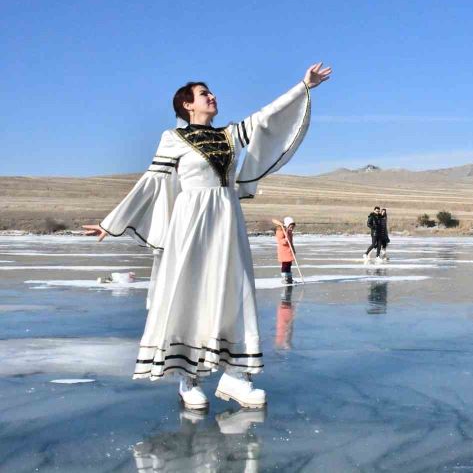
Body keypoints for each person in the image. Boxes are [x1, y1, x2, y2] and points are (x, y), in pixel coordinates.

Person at [83, 63, 332, 411]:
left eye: (211, 92)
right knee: (189, 293)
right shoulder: (172, 139)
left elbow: (265, 117)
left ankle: (235, 376)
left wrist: (302, 86)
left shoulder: (230, 135)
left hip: (227, 223)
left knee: (235, 289)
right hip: (190, 226)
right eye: (204, 94)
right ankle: (189, 377)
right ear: (187, 105)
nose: (212, 96)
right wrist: (112, 223)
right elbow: (151, 183)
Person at [276, 216, 296, 284]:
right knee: (285, 265)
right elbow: (280, 241)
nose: (292, 228)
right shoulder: (281, 231)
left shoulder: (289, 232)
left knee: (289, 264)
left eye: (293, 227)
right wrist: (285, 240)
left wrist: (293, 249)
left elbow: (291, 242)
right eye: (290, 227)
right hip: (283, 251)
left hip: (289, 251)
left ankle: (289, 278)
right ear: (287, 225)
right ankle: (284, 278)